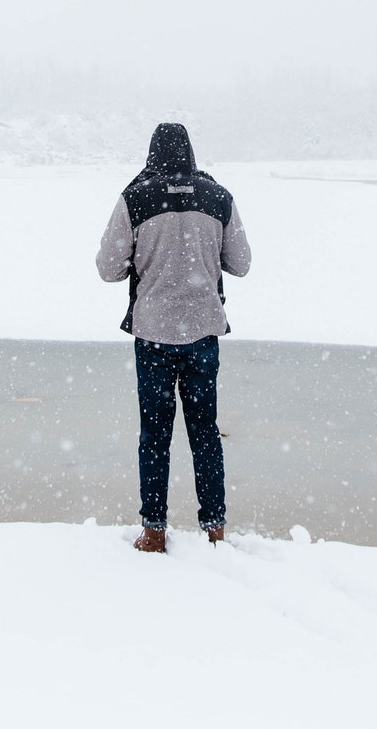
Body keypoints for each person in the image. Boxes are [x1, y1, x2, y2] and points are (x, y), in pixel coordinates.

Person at [95, 123, 251, 553]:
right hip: (203, 331)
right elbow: (241, 263)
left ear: (152, 154)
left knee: (154, 434)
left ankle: (154, 532)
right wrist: (204, 251)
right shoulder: (218, 197)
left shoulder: (135, 198)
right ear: (190, 153)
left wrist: (145, 258)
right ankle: (215, 531)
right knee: (205, 433)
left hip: (153, 334)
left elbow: (108, 268)